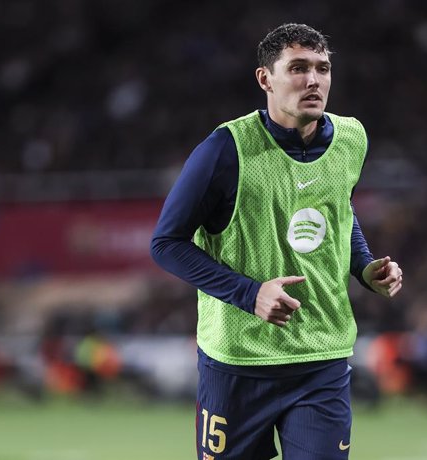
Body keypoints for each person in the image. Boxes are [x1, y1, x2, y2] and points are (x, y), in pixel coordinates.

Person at [151, 23, 403, 459]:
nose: (314, 80)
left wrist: (363, 266)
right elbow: (166, 243)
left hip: (321, 356)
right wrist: (250, 294)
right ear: (265, 79)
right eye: (299, 68)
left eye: (323, 69)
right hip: (238, 364)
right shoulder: (224, 150)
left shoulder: (351, 138)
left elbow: (339, 209)